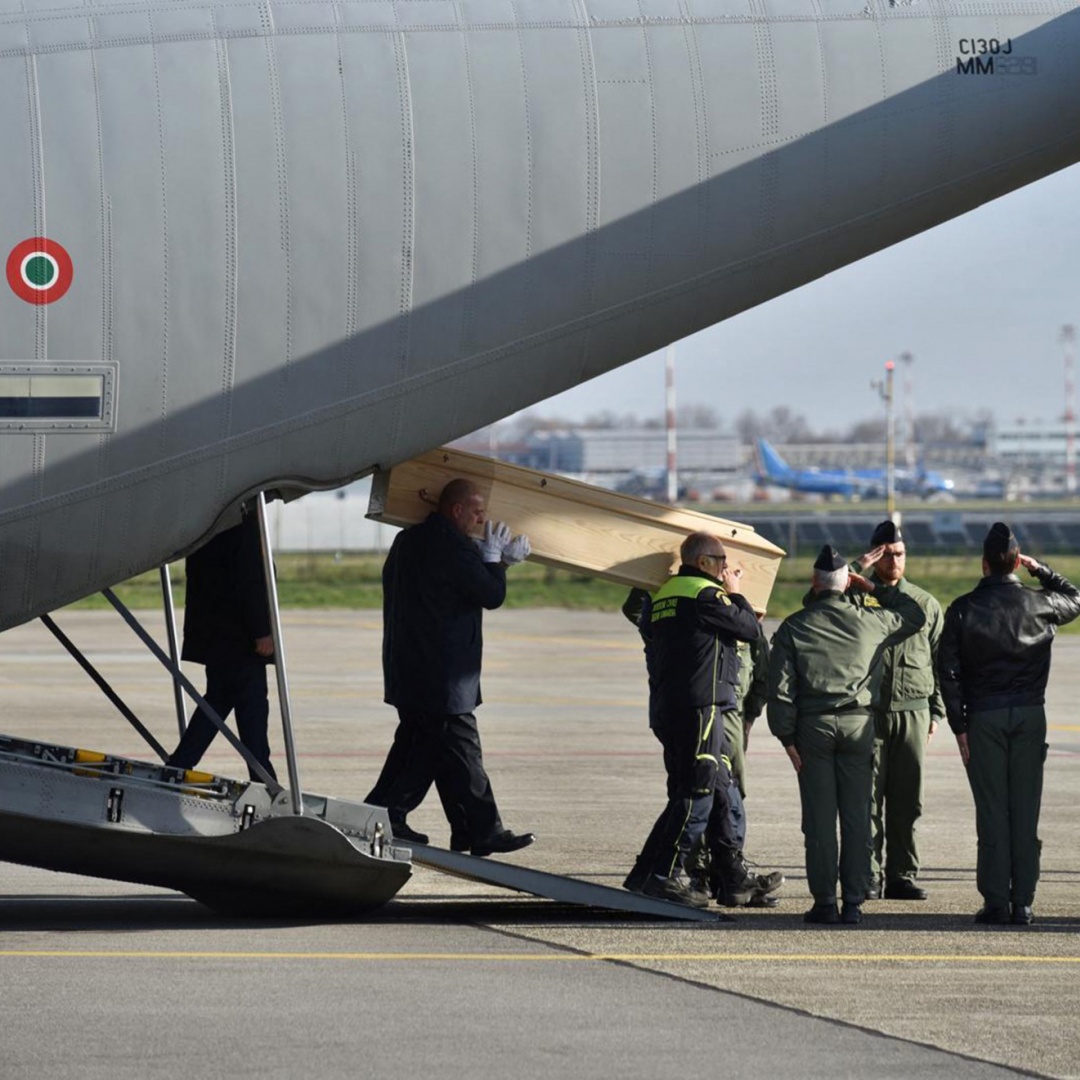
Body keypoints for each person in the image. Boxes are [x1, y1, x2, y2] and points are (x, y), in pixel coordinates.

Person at [365, 478, 535, 857]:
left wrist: (493, 560)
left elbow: (456, 585)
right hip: (443, 676)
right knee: (461, 751)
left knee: (423, 749)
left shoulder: (409, 540)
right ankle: (482, 831)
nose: (481, 520)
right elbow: (490, 594)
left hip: (409, 669)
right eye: (477, 512)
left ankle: (399, 816)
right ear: (456, 509)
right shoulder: (453, 549)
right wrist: (497, 563)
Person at [767, 545, 925, 926]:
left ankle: (825, 902)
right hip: (859, 726)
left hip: (813, 729)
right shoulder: (872, 621)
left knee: (819, 820)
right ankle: (853, 900)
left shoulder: (794, 627)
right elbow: (915, 615)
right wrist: (872, 587)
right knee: (857, 817)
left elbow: (781, 690)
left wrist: (786, 737)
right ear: (848, 583)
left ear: (813, 582)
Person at [938, 522, 1080, 926]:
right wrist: (1041, 570)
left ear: (984, 564)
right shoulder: (1042, 603)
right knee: (1025, 809)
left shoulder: (963, 609)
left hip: (984, 715)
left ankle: (997, 901)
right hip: (1030, 712)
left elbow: (948, 672)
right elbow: (1075, 598)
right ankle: (1023, 902)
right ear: (1017, 562)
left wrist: (958, 726)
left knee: (992, 810)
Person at [624, 532, 761, 908]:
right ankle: (663, 877)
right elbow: (750, 629)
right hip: (702, 707)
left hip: (669, 706)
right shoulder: (705, 595)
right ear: (703, 562)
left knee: (706, 790)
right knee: (697, 793)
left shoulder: (664, 594)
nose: (725, 567)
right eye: (721, 560)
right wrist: (736, 594)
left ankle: (648, 873)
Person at [852, 521, 945, 902]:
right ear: (875, 556)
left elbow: (940, 661)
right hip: (868, 713)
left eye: (900, 554)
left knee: (908, 800)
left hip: (913, 712)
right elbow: (817, 600)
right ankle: (869, 874)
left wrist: (936, 712)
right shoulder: (856, 597)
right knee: (868, 799)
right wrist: (856, 569)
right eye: (887, 555)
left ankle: (902, 875)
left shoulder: (924, 604)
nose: (894, 561)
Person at [167, 512, 277, 781]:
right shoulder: (240, 521)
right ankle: (263, 779)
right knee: (250, 709)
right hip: (239, 639)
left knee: (218, 701)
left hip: (216, 635)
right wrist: (261, 631)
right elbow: (249, 578)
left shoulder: (208, 519)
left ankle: (179, 765)